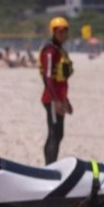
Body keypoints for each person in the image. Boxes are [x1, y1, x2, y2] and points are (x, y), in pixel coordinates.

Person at [39, 16, 73, 164]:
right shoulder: (50, 51)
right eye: (59, 31)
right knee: (54, 133)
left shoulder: (60, 50)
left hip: (59, 98)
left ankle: (51, 165)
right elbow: (48, 78)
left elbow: (62, 79)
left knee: (59, 134)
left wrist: (66, 100)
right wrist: (56, 101)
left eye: (65, 31)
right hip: (52, 99)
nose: (62, 34)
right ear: (53, 32)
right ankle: (50, 167)